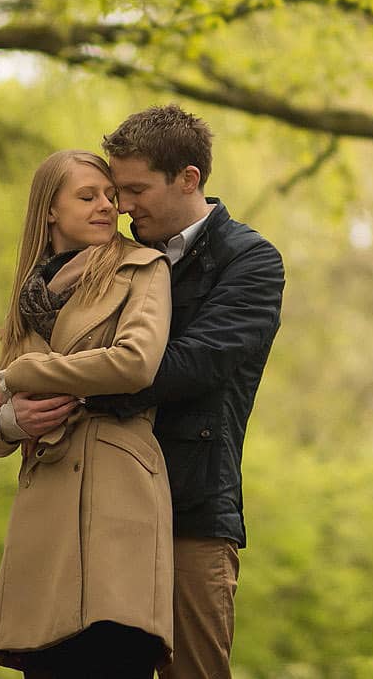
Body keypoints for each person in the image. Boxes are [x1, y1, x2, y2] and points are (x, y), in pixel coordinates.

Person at [90, 105, 285, 679]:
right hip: (109, 505)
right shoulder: (117, 256)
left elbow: (191, 364)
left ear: (189, 179)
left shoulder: (251, 261)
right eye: (115, 190)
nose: (122, 206)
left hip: (193, 512)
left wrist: (78, 391)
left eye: (135, 189)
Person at [0, 148, 176, 678]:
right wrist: (13, 422)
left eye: (111, 196)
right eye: (88, 197)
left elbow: (134, 363)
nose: (107, 207)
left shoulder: (142, 269)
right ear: (49, 210)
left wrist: (23, 377)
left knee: (113, 656)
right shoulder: (28, 295)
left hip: (117, 500)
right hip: (44, 515)